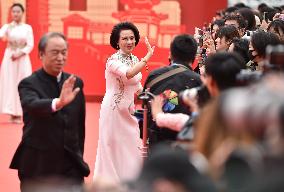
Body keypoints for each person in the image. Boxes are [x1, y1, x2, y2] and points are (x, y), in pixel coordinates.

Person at [9, 32, 90, 192]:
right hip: (38, 164)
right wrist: (58, 103)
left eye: (64, 52)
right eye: (55, 52)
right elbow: (33, 105)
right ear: (41, 54)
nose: (60, 57)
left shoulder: (75, 83)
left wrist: (78, 154)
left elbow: (79, 125)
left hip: (70, 164)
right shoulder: (28, 84)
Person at [94, 22, 154, 183]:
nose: (129, 42)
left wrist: (155, 99)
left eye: (132, 38)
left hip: (129, 112)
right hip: (113, 111)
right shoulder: (112, 61)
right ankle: (109, 184)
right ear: (117, 42)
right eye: (125, 39)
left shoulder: (134, 58)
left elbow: (138, 87)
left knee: (131, 146)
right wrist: (148, 56)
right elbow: (129, 74)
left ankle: (129, 182)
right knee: (111, 148)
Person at [144, 34, 201, 146]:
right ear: (194, 56)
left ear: (171, 53)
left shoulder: (154, 76)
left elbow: (146, 105)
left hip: (156, 142)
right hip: (186, 144)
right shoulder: (199, 82)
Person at [0, 3, 34, 123]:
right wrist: (6, 31)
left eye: (18, 11)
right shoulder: (7, 27)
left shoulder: (27, 28)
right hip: (9, 58)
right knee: (10, 83)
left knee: (22, 83)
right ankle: (12, 112)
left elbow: (30, 45)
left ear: (22, 13)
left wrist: (20, 54)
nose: (15, 14)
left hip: (22, 59)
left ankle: (20, 113)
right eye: (13, 11)